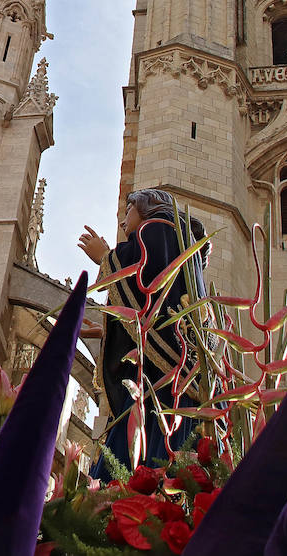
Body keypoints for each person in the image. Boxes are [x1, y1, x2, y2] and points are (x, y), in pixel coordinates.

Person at [78, 187, 208, 477]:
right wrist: (111, 328)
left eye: (127, 210)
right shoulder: (183, 243)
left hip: (160, 380)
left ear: (148, 207)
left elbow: (147, 284)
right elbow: (158, 307)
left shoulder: (157, 229)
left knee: (139, 458)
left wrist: (106, 258)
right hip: (179, 367)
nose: (123, 221)